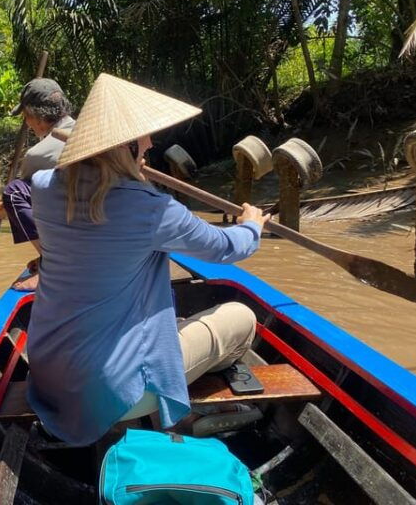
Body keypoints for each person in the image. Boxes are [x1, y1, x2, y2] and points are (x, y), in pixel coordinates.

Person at [26, 73, 270, 446]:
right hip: (114, 393)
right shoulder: (151, 209)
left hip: (47, 375)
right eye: (142, 139)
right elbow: (225, 247)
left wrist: (132, 174)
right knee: (242, 318)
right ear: (123, 147)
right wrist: (252, 226)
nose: (151, 143)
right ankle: (177, 414)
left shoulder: (42, 189)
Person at [0, 78, 75, 291]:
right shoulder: (86, 130)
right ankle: (56, 259)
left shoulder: (38, 154)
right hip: (92, 225)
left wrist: (5, 208)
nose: (26, 124)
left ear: (36, 116)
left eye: (26, 117)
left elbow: (30, 200)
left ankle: (53, 266)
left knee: (13, 193)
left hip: (76, 227)